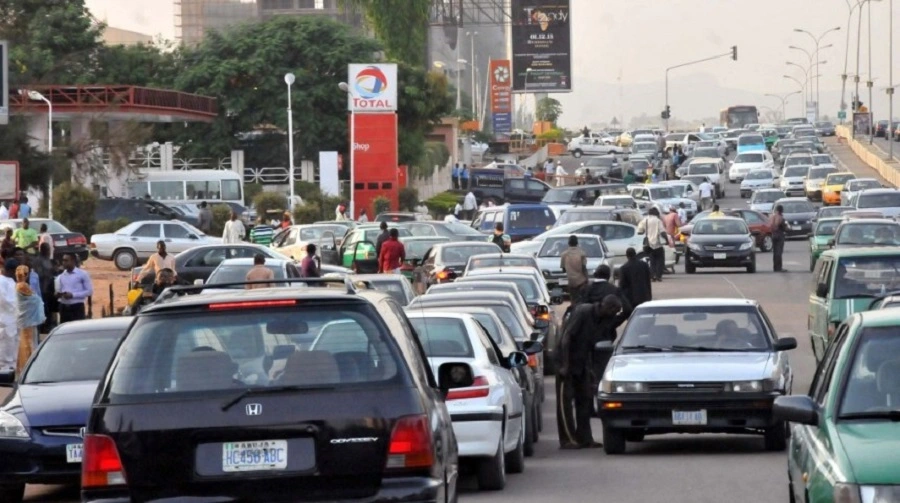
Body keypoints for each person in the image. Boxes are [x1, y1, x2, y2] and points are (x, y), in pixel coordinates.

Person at [557, 294, 626, 449]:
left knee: (585, 399)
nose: (614, 315)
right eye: (614, 311)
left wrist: (593, 370)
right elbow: (566, 337)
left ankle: (585, 438)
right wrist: (565, 365)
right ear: (607, 306)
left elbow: (595, 345)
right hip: (566, 358)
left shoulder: (605, 320)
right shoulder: (583, 312)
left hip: (583, 360)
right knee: (566, 401)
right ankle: (567, 439)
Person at [13, 264, 43, 375]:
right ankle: (28, 366)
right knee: (28, 342)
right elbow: (35, 299)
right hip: (27, 319)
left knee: (25, 341)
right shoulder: (23, 286)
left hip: (24, 318)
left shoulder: (17, 285)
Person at [56, 254, 92, 323]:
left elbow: (89, 291)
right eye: (63, 260)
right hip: (64, 307)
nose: (63, 263)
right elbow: (59, 289)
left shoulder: (82, 274)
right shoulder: (61, 275)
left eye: (66, 260)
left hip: (77, 307)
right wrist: (59, 295)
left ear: (73, 261)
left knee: (77, 329)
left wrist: (73, 295)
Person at [31, 243, 56, 333]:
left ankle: (50, 324)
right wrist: (49, 273)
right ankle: (43, 326)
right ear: (43, 250)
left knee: (50, 308)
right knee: (44, 307)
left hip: (50, 288)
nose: (49, 251)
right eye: (47, 249)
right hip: (42, 288)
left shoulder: (48, 259)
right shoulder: (38, 260)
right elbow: (39, 274)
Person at [637, 207, 667, 282]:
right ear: (656, 213)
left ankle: (652, 275)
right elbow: (662, 232)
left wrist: (647, 231)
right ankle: (658, 276)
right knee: (660, 260)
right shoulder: (658, 221)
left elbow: (639, 231)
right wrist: (667, 240)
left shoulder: (645, 220)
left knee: (651, 260)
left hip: (648, 244)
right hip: (657, 244)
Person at [0, 260, 18, 374]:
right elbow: (3, 299)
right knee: (6, 342)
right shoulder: (1, 281)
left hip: (14, 318)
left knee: (13, 342)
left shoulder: (12, 281)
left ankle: (12, 366)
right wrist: (17, 305)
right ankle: (4, 368)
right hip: (4, 318)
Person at [560, 235, 588, 303]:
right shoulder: (582, 253)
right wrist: (587, 278)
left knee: (573, 300)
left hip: (571, 281)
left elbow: (563, 269)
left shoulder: (564, 255)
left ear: (568, 243)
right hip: (581, 281)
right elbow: (584, 267)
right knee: (582, 299)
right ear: (577, 243)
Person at [769, 204, 787, 272]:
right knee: (779, 252)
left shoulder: (772, 217)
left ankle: (775, 267)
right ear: (781, 210)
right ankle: (779, 267)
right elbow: (784, 227)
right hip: (780, 235)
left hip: (773, 235)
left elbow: (770, 226)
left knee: (775, 252)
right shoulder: (780, 218)